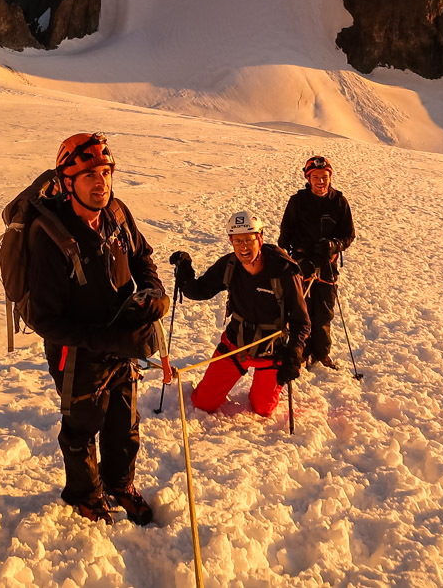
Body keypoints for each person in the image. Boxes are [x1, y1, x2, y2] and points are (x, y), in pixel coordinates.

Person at [26, 132, 169, 525]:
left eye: (105, 172)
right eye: (89, 175)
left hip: (122, 344)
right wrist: (111, 339)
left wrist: (154, 291)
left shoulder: (117, 214)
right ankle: (85, 494)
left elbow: (142, 258)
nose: (100, 182)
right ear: (68, 182)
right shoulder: (51, 238)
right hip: (78, 356)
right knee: (81, 427)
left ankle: (120, 482)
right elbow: (46, 320)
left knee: (124, 422)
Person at [169, 211, 310, 417]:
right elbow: (200, 290)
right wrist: (185, 272)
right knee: (203, 403)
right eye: (238, 241)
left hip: (271, 352)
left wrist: (295, 353)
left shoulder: (284, 271)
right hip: (235, 346)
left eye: (249, 239)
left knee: (263, 409)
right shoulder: (230, 265)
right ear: (231, 241)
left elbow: (301, 322)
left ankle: (263, 389)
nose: (243, 246)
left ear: (259, 239)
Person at [277, 154, 355, 369]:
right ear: (308, 178)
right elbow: (286, 233)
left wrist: (334, 245)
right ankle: (301, 352)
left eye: (324, 177)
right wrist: (288, 258)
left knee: (323, 310)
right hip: (301, 264)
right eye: (316, 177)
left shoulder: (339, 201)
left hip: (326, 265)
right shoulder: (297, 202)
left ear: (330, 177)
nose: (321, 182)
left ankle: (321, 353)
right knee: (301, 310)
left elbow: (348, 234)